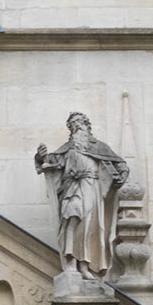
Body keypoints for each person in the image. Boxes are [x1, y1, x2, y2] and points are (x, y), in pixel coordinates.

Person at [34, 112, 129, 284]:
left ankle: (84, 266)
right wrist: (41, 157)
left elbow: (119, 164)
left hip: (92, 188)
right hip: (72, 188)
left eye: (79, 122)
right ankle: (70, 262)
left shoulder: (99, 147)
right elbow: (50, 162)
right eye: (72, 124)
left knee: (89, 226)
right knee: (71, 218)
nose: (76, 125)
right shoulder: (67, 148)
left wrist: (122, 173)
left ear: (86, 125)